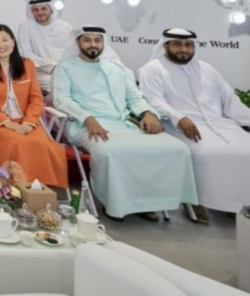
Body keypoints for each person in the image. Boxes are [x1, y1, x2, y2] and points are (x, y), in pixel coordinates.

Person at [53, 25, 198, 221]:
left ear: (103, 43)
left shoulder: (116, 69)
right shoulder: (66, 67)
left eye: (97, 40)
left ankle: (146, 202)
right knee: (110, 152)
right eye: (87, 40)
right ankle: (116, 204)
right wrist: (87, 118)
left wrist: (147, 113)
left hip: (125, 123)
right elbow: (62, 99)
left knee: (177, 148)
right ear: (78, 43)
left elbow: (134, 97)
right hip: (86, 124)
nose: (93, 44)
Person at [139, 28, 250, 222]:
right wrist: (179, 118)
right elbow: (153, 100)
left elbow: (230, 100)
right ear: (165, 45)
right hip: (177, 125)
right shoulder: (153, 69)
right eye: (177, 44)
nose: (184, 49)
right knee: (205, 153)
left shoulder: (207, 69)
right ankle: (197, 201)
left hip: (220, 124)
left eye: (188, 45)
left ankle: (237, 203)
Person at [0, 24, 67, 188]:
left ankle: (40, 189)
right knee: (16, 142)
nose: (1, 45)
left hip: (26, 122)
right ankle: (17, 188)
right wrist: (7, 123)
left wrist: (28, 123)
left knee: (41, 144)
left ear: (13, 42)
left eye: (5, 40)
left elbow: (36, 98)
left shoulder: (27, 64)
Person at [16, 0, 72, 97]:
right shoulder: (25, 27)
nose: (40, 12)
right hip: (40, 72)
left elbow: (71, 51)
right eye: (36, 10)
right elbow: (26, 54)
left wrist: (63, 68)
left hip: (64, 70)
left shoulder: (65, 27)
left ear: (51, 9)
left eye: (43, 9)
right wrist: (51, 67)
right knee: (58, 87)